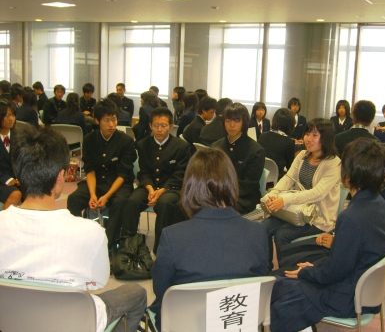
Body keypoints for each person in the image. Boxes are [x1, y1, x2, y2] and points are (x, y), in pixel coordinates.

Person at [0, 125, 146, 332]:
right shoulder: (90, 231)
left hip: (11, 321)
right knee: (136, 292)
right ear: (61, 178)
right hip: (74, 322)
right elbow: (97, 282)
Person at [270, 138, 385, 332]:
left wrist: (307, 271)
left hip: (345, 295)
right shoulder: (378, 204)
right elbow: (344, 259)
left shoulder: (352, 217)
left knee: (278, 285)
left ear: (348, 173)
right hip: (364, 289)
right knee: (289, 270)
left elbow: (333, 272)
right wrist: (313, 268)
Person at [149, 148, 268, 331]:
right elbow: (259, 285)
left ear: (190, 186)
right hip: (237, 323)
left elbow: (161, 291)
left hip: (185, 324)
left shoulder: (172, 236)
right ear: (232, 183)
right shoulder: (258, 233)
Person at [261, 118, 341, 269]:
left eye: (314, 135)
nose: (308, 139)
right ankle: (267, 267)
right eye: (307, 134)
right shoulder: (303, 155)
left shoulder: (333, 163)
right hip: (296, 211)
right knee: (263, 227)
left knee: (282, 235)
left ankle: (287, 271)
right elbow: (288, 178)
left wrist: (285, 200)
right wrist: (275, 194)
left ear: (326, 138)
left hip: (318, 218)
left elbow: (317, 193)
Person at [67, 98, 137, 247]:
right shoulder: (90, 139)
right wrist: (93, 194)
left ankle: (107, 244)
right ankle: (78, 239)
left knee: (120, 202)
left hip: (119, 183)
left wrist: (106, 196)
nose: (112, 124)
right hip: (96, 181)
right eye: (107, 120)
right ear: (97, 121)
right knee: (74, 198)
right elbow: (90, 170)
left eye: (114, 120)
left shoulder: (125, 141)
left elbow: (124, 174)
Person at [119, 107, 190, 253]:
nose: (159, 130)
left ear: (171, 127)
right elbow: (143, 172)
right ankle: (129, 246)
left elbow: (180, 175)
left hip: (171, 188)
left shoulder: (181, 147)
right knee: (132, 201)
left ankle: (160, 249)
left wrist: (161, 191)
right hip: (148, 186)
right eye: (156, 126)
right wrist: (151, 189)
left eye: (163, 126)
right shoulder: (143, 144)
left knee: (165, 203)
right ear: (150, 126)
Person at [212, 103, 265, 214]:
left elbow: (248, 185)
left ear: (244, 123)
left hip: (243, 198)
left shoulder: (255, 150)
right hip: (217, 195)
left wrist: (223, 198)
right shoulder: (215, 146)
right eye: (228, 121)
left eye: (236, 121)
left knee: (218, 213)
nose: (231, 125)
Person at [258, 108, 295, 181]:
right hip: (276, 179)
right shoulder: (289, 142)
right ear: (290, 124)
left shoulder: (262, 136)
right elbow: (290, 168)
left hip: (259, 176)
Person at [0, 100, 22, 210]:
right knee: (16, 194)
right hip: (2, 180)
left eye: (13, 115)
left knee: (38, 190)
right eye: (7, 116)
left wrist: (20, 177)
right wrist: (8, 180)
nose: (11, 119)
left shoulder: (18, 136)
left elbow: (24, 160)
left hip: (17, 179)